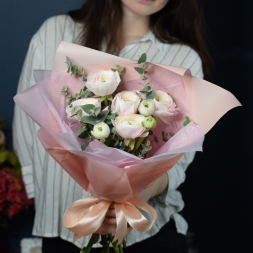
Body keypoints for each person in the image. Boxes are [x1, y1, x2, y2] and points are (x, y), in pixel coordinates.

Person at [13, 0, 211, 252]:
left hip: (146, 237)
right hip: (61, 231)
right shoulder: (55, 33)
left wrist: (138, 196)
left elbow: (178, 161)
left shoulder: (183, 58)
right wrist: (46, 199)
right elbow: (27, 125)